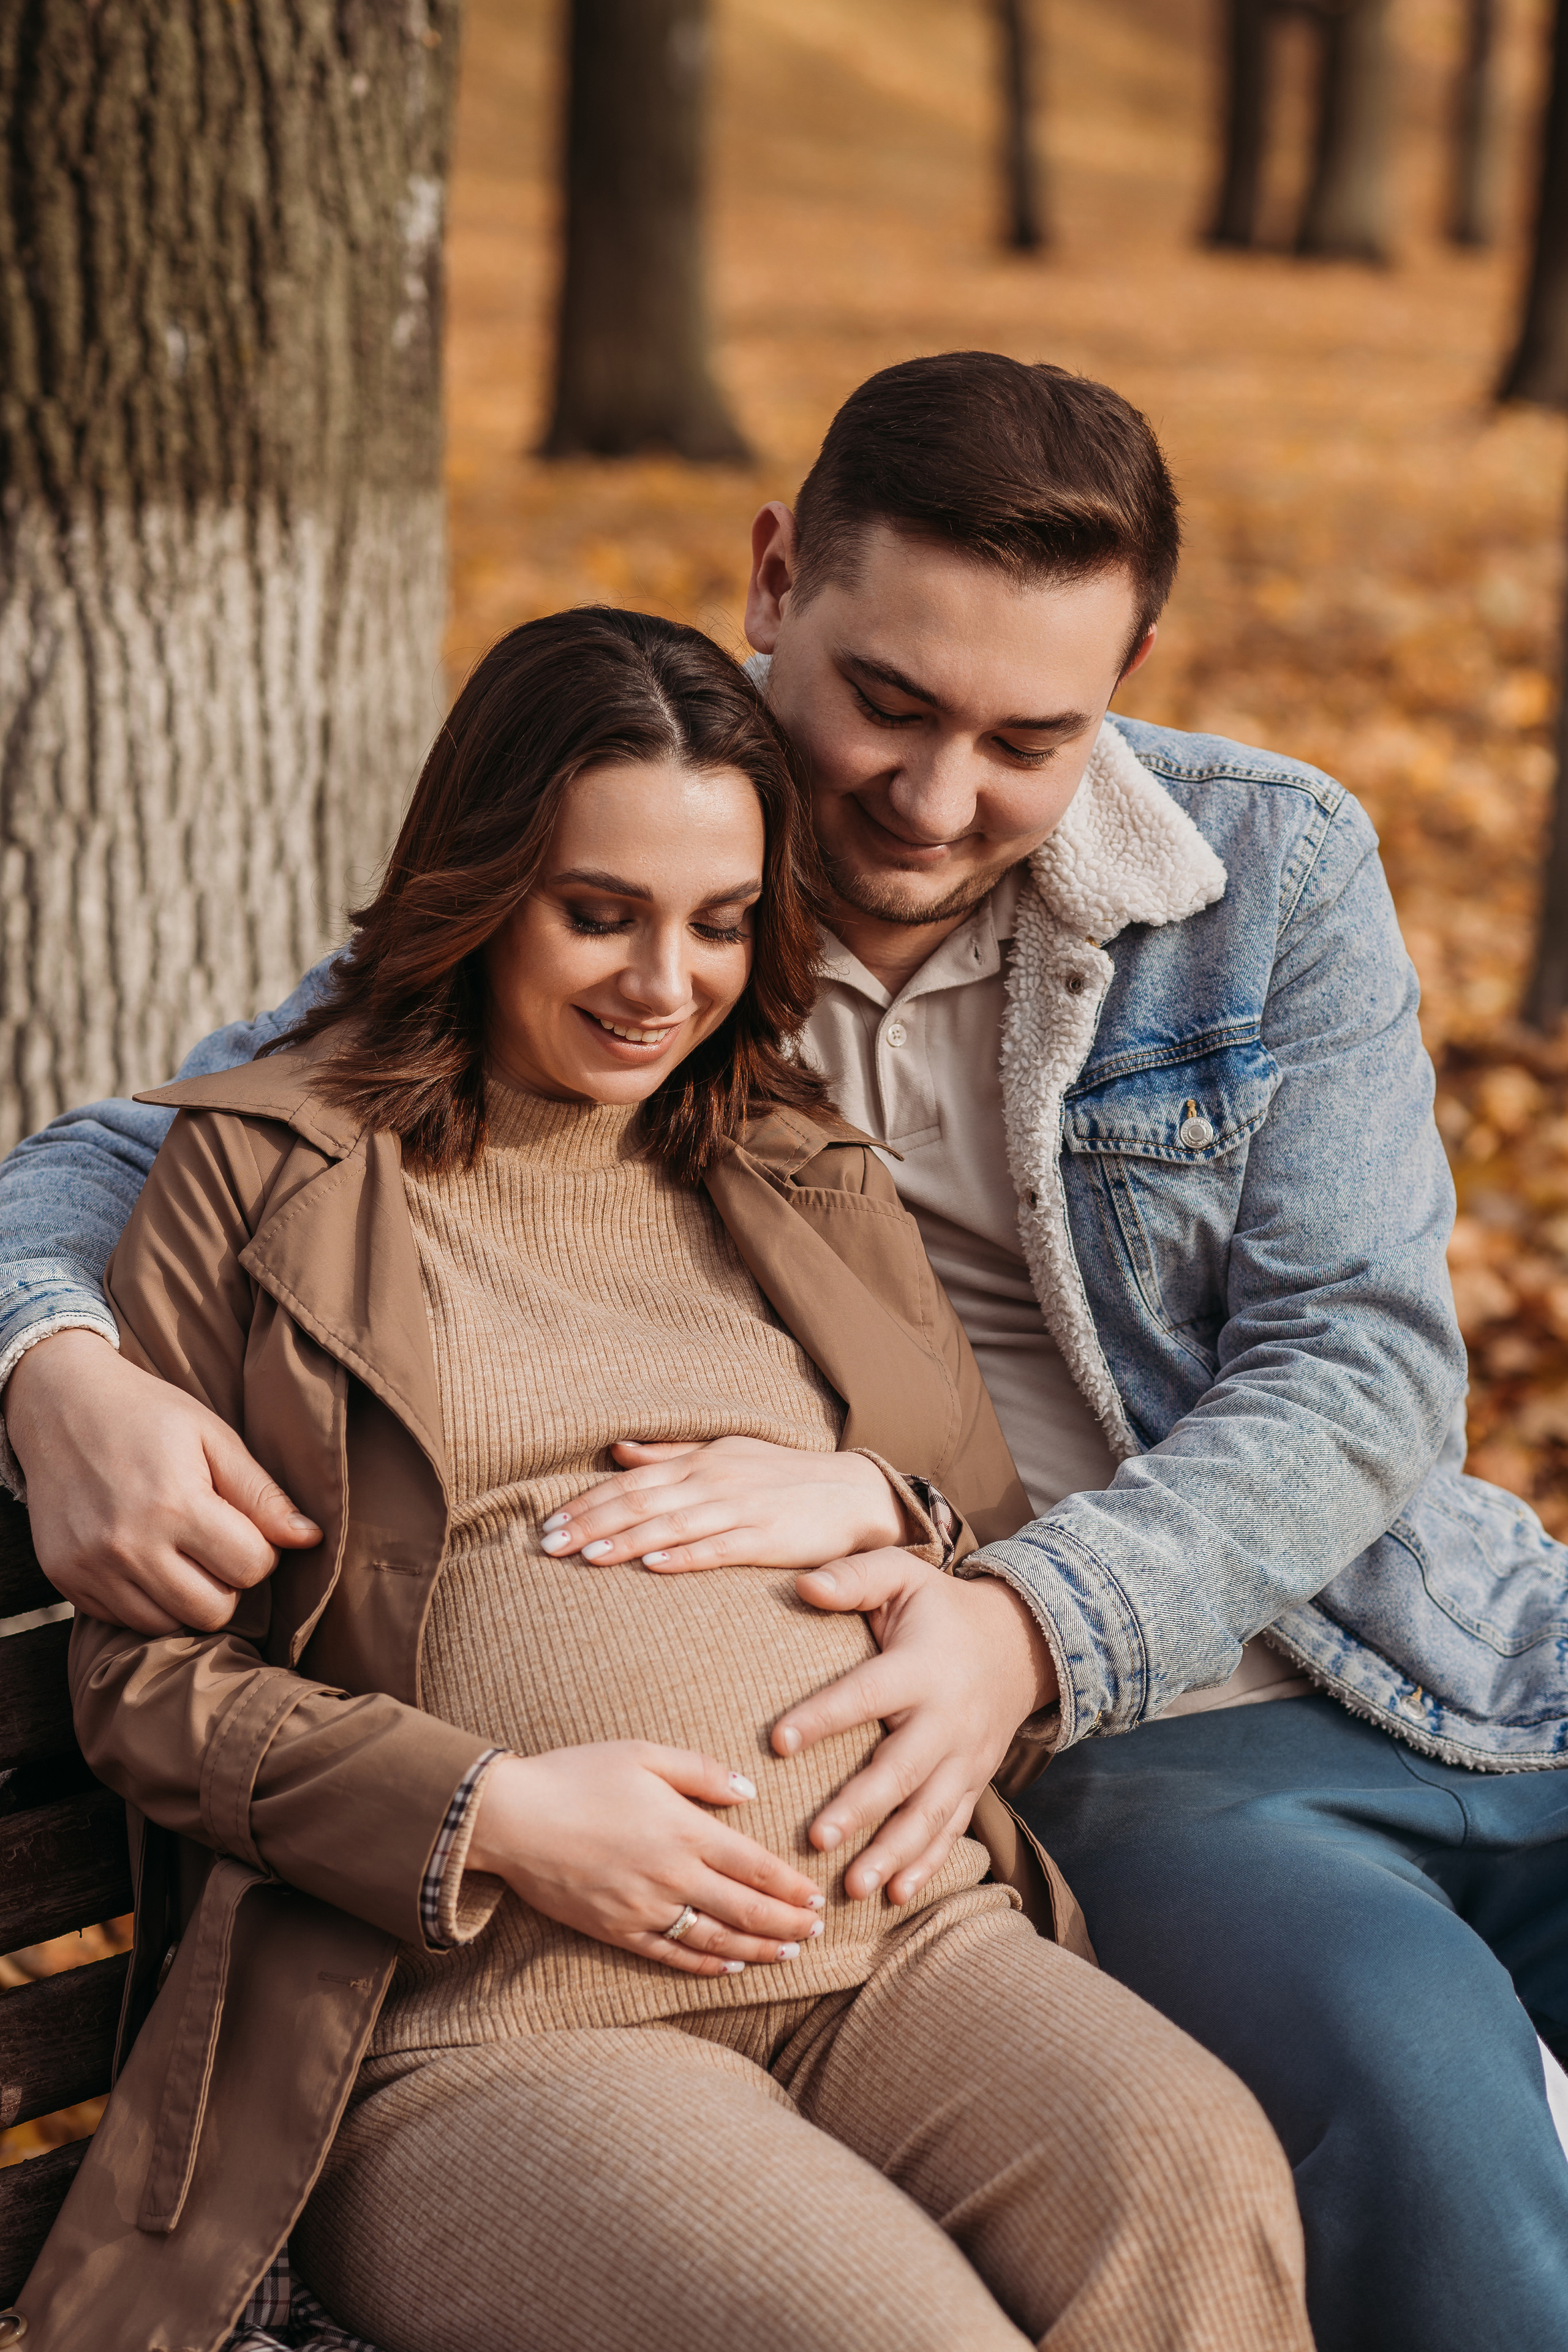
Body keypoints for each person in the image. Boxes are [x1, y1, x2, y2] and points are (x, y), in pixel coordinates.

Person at [2, 353, 1566, 2351]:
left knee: (1203, 2171)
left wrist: (981, 1575)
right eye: (888, 703)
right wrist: (50, 1359)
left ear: (1129, 677)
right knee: (1425, 2120)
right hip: (1068, 1783)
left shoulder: (1239, 883)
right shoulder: (653, 868)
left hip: (1398, 1641)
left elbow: (1360, 1363)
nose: (935, 800)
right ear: (773, 583)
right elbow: (182, 1138)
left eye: (1031, 737)